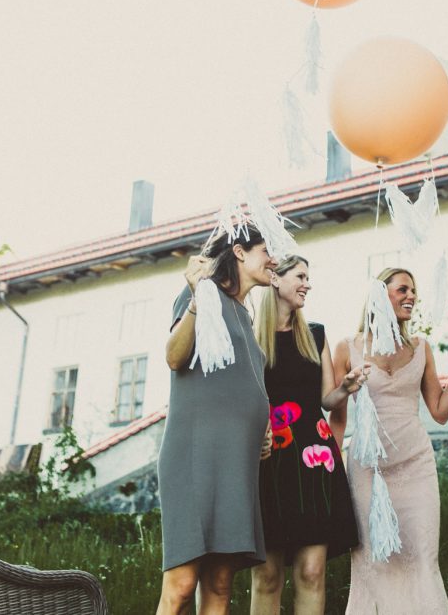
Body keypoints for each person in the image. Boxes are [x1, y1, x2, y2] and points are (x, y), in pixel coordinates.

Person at [324, 267, 448, 615]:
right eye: (403, 289)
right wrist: (329, 472)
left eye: (413, 291)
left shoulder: (420, 347)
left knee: (422, 556)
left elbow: (440, 411)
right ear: (380, 295)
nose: (412, 297)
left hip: (416, 466)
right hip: (368, 470)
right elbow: (336, 414)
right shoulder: (348, 348)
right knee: (373, 560)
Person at [157, 225, 277, 615]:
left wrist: (262, 427)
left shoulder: (245, 316)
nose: (273, 260)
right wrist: (196, 300)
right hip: (195, 456)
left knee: (220, 583)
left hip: (236, 464)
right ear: (240, 252)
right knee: (181, 584)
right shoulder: (201, 294)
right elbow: (174, 357)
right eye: (266, 250)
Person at [250, 255, 366, 615]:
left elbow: (327, 399)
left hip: (315, 462)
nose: (307, 284)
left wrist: (345, 388)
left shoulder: (315, 335)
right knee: (267, 575)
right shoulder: (250, 338)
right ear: (275, 279)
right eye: (300, 276)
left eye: (308, 277)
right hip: (267, 460)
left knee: (312, 572)